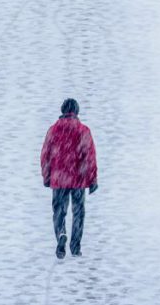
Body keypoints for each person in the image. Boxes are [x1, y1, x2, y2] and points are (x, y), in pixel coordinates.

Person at [40, 98, 98, 259]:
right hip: (78, 178)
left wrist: (47, 177)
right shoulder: (83, 130)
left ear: (62, 111)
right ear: (77, 112)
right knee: (78, 212)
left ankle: (61, 233)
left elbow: (45, 155)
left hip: (59, 178)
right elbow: (90, 156)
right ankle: (75, 247)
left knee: (59, 211)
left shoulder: (53, 130)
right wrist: (92, 179)